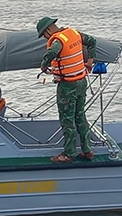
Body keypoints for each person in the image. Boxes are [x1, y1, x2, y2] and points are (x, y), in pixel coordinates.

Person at [36, 17, 96, 163]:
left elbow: (52, 53)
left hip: (67, 85)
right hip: (81, 81)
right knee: (80, 116)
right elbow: (92, 41)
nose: (45, 38)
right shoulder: (74, 33)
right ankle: (87, 149)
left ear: (48, 29)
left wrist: (44, 66)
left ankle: (68, 154)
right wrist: (89, 61)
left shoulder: (58, 41)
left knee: (67, 120)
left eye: (44, 34)